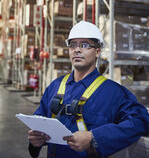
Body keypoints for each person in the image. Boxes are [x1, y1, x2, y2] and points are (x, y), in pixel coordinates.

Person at [28, 20, 149, 158]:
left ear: (97, 52)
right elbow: (39, 121)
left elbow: (141, 121)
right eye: (73, 45)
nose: (77, 49)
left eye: (84, 45)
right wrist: (36, 139)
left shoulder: (113, 92)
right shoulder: (55, 87)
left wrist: (94, 137)